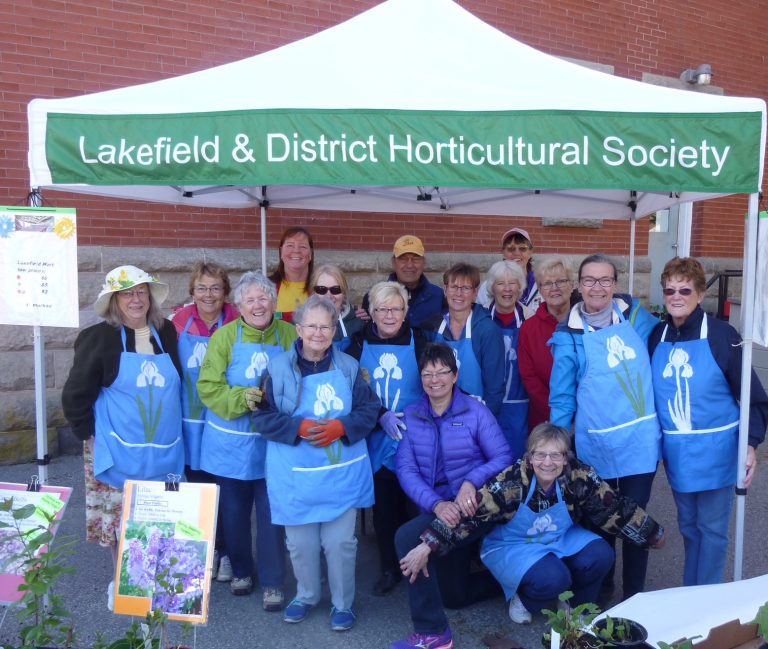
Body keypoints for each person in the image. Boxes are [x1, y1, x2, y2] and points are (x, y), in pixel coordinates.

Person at [394, 424, 665, 643]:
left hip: (558, 538)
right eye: (540, 454)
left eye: (556, 455)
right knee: (553, 578)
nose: (548, 462)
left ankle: (580, 612)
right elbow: (468, 517)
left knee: (601, 555)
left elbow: (613, 508)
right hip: (514, 544)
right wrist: (426, 546)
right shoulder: (511, 482)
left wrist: (651, 532)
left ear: (565, 457)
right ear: (529, 457)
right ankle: (523, 598)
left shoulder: (579, 476)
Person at [253, 295, 380, 632]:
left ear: (334, 330)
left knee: (339, 543)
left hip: (340, 474)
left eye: (326, 326)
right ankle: (306, 595)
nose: (319, 333)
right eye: (312, 326)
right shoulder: (277, 368)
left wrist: (343, 426)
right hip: (295, 475)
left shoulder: (350, 367)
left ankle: (343, 603)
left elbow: (369, 411)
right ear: (299, 329)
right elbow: (261, 417)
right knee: (300, 544)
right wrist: (297, 426)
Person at [62, 265, 183, 610]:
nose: (136, 299)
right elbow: (75, 394)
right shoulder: (98, 338)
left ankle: (158, 582)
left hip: (163, 444)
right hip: (114, 444)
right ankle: (126, 583)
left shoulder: (167, 331)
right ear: (114, 300)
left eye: (141, 292)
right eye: (127, 293)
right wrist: (88, 435)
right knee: (120, 516)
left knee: (159, 511)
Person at [648, 257, 768, 586]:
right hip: (678, 455)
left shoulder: (722, 336)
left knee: (713, 532)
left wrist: (751, 444)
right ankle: (692, 593)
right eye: (669, 289)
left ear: (700, 294)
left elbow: (755, 397)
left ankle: (707, 601)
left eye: (685, 289)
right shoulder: (656, 335)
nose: (676, 296)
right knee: (688, 528)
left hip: (717, 453)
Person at [549, 253, 661, 601]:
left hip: (639, 442)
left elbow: (670, 339)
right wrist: (557, 444)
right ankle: (603, 589)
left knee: (635, 519)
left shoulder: (637, 317)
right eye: (589, 280)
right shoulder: (568, 334)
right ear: (579, 286)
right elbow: (563, 396)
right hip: (595, 444)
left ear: (615, 284)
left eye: (605, 280)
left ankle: (635, 596)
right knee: (601, 520)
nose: (597, 287)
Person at [392, 343, 512, 649]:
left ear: (455, 375)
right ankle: (512, 583)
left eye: (442, 372)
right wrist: (437, 503)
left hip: (472, 508)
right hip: (439, 509)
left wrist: (471, 482)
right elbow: (405, 470)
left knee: (408, 539)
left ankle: (433, 633)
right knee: (454, 597)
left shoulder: (475, 411)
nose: (435, 379)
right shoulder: (413, 414)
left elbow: (502, 457)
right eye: (427, 373)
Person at [197, 272, 297, 611]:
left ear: (274, 301)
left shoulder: (289, 335)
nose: (258, 305)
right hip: (230, 444)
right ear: (239, 305)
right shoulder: (224, 338)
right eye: (250, 299)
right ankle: (241, 570)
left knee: (272, 515)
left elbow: (302, 378)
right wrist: (242, 397)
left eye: (263, 298)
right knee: (234, 513)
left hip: (274, 446)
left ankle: (272, 582)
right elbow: (208, 386)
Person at [347, 281, 428, 596]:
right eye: (382, 309)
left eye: (396, 308)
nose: (390, 315)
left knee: (417, 505)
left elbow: (436, 383)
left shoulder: (420, 341)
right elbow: (350, 388)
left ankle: (420, 565)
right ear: (372, 312)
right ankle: (389, 567)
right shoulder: (356, 344)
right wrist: (379, 413)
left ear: (405, 311)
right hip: (376, 437)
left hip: (415, 438)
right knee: (385, 509)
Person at [170, 261, 239, 582]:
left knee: (224, 490)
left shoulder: (237, 320)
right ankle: (202, 552)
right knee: (195, 489)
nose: (208, 295)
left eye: (215, 288)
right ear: (192, 291)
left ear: (225, 292)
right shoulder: (178, 322)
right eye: (202, 288)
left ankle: (226, 552)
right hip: (188, 422)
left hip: (224, 421)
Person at [421, 263, 505, 417]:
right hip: (438, 414)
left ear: (475, 292)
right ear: (445, 290)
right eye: (454, 287)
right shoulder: (431, 328)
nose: (458, 293)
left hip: (476, 415)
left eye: (466, 288)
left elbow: (495, 388)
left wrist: (484, 421)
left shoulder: (487, 330)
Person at [518, 256, 574, 430]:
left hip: (586, 418)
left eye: (561, 281)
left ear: (572, 285)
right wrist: (556, 413)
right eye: (547, 283)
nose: (554, 288)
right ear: (540, 289)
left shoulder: (585, 324)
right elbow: (529, 378)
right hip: (545, 419)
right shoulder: (529, 328)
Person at [485, 259, 532, 459]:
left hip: (521, 407)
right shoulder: (481, 319)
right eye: (500, 283)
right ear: (492, 288)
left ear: (520, 287)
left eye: (512, 283)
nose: (507, 289)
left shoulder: (531, 319)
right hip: (486, 407)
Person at [359, 235, 446, 328]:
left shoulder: (440, 297)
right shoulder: (373, 297)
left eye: (415, 259)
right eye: (403, 259)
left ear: (424, 262)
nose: (409, 265)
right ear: (393, 262)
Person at [480, 227, 540, 310]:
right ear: (503, 252)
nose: (517, 253)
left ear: (530, 252)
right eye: (511, 249)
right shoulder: (488, 286)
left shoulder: (541, 284)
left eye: (522, 248)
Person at [310, 263, 363, 352]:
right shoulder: (301, 323)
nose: (329, 296)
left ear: (344, 293)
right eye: (322, 289)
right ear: (314, 293)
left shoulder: (359, 324)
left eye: (335, 290)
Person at [269, 226, 314, 323]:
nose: (296, 250)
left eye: (303, 246)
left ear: (310, 254)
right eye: (290, 245)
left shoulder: (321, 288)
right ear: (281, 251)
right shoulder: (266, 287)